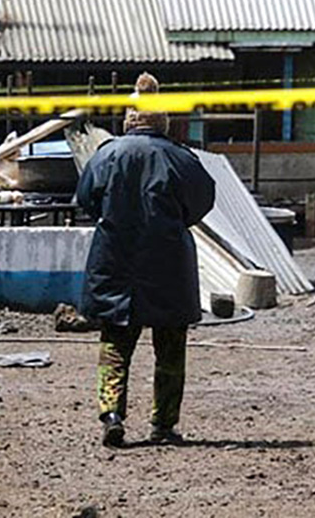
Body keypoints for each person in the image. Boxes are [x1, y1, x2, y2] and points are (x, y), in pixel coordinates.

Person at [76, 73, 216, 447]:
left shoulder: (106, 155)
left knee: (115, 344)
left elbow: (86, 199)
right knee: (170, 349)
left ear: (129, 118)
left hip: (115, 261)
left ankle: (112, 414)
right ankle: (163, 424)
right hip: (168, 265)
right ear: (162, 119)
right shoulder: (179, 158)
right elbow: (203, 201)